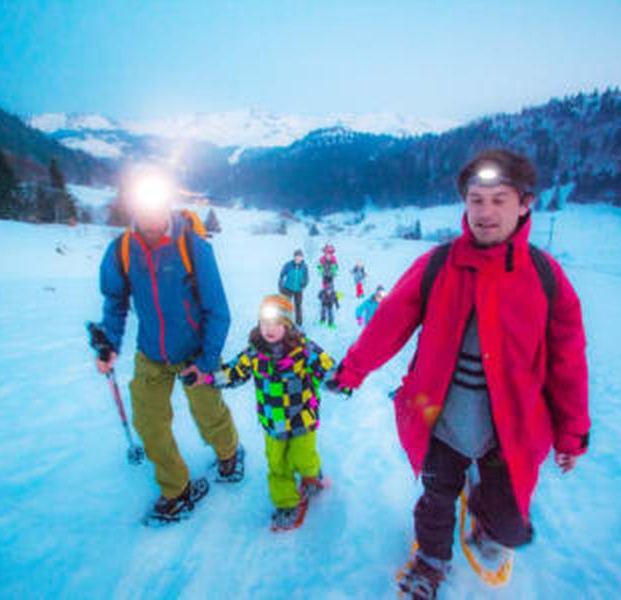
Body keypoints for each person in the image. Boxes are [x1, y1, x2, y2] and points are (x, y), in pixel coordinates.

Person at [327, 149, 590, 598]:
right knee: (435, 500)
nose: (485, 212)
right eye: (476, 200)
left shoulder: (545, 277)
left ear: (525, 203)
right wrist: (351, 371)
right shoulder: (438, 264)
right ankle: (431, 561)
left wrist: (572, 435)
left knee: (511, 528)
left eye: (499, 199)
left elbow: (570, 362)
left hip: (507, 431)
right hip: (440, 421)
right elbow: (389, 322)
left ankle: (486, 512)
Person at [94, 174, 243, 525]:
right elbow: (115, 300)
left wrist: (207, 363)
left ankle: (229, 453)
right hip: (151, 353)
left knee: (209, 414)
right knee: (149, 423)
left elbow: (218, 311)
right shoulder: (122, 250)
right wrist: (109, 342)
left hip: (195, 352)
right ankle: (177, 488)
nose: (151, 214)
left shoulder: (192, 246)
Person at [208, 295, 334, 530]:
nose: (270, 329)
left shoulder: (304, 349)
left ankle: (311, 475)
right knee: (277, 464)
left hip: (302, 417)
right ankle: (286, 503)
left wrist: (339, 380)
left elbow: (327, 366)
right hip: (273, 421)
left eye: (276, 323)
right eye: (265, 323)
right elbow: (234, 372)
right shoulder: (254, 353)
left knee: (302, 457)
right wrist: (209, 377)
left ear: (287, 325)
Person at [278, 249, 309, 326]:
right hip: (288, 288)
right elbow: (281, 276)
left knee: (298, 306)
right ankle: (286, 323)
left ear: (302, 258)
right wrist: (280, 286)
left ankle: (299, 324)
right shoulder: (288, 265)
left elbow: (306, 277)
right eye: (296, 257)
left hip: (298, 289)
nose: (297, 259)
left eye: (299, 257)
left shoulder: (304, 267)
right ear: (294, 257)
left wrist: (304, 283)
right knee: (287, 306)